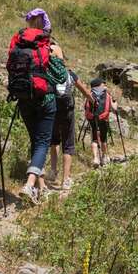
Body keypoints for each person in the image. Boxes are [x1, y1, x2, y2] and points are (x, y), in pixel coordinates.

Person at [7, 9, 65, 205]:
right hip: (45, 99)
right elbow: (62, 77)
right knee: (42, 143)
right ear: (45, 26)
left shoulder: (18, 41)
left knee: (36, 142)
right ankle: (29, 184)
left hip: (24, 98)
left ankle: (42, 189)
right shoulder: (49, 45)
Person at [47, 51, 93, 190]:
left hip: (53, 110)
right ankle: (66, 179)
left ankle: (53, 171)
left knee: (54, 141)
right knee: (68, 143)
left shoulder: (48, 73)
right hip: (67, 112)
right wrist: (91, 100)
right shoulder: (70, 74)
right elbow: (85, 92)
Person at [86, 78, 117, 167]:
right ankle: (103, 157)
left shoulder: (90, 94)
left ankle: (95, 158)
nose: (104, 85)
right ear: (99, 85)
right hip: (103, 119)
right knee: (103, 139)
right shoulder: (107, 94)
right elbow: (114, 109)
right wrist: (115, 101)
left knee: (94, 138)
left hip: (92, 119)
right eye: (103, 84)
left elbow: (86, 107)